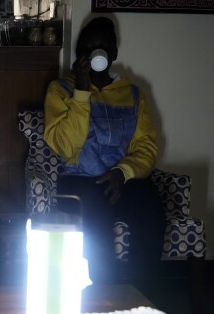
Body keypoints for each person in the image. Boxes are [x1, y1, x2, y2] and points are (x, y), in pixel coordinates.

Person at [43, 16, 166, 283]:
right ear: (80, 54)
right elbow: (66, 146)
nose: (96, 52)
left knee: (151, 211)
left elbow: (147, 147)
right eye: (89, 47)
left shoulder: (133, 94)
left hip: (122, 178)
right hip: (78, 180)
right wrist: (82, 92)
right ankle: (104, 295)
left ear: (112, 52)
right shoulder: (60, 90)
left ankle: (141, 294)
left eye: (103, 46)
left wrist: (122, 174)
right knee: (95, 215)